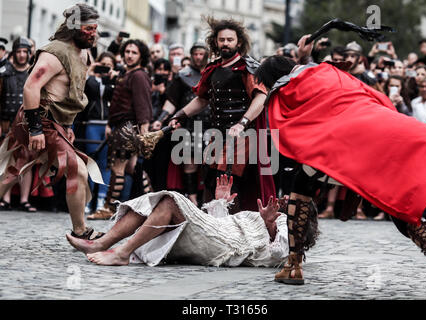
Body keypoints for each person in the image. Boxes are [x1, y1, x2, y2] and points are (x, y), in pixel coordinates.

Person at [254, 35, 426, 291]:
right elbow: (361, 90)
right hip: (381, 133)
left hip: (337, 147)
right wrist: (305, 58)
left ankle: (293, 264)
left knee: (300, 190)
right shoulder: (328, 72)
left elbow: (287, 119)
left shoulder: (285, 90)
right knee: (398, 202)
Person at [0, 3, 105, 240]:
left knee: (10, 170)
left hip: (56, 124)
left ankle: (81, 230)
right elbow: (30, 87)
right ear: (75, 28)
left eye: (95, 29)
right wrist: (36, 129)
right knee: (77, 171)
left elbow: (72, 93)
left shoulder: (83, 53)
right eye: (89, 29)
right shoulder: (55, 53)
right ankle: (81, 231)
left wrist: (67, 128)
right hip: (40, 120)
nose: (93, 34)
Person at [168, 16, 275, 213]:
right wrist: (179, 115)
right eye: (222, 40)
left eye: (230, 39)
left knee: (230, 182)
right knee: (210, 179)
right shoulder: (213, 69)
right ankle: (216, 226)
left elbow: (261, 97)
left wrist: (242, 123)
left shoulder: (247, 67)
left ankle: (234, 231)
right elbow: (202, 99)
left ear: (239, 42)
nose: (225, 43)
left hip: (242, 136)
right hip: (217, 134)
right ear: (215, 42)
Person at [66, 174, 288, 268]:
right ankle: (101, 243)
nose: (286, 199)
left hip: (225, 247)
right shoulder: (277, 216)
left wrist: (270, 229)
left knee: (171, 201)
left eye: (291, 200)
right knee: (159, 200)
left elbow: (276, 256)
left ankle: (122, 253)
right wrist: (220, 203)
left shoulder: (286, 227)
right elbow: (221, 226)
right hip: (219, 236)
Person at [87, 39, 153, 220]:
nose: (129, 55)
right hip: (121, 126)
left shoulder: (139, 75)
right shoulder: (127, 73)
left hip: (128, 127)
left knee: (118, 168)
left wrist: (144, 130)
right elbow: (116, 103)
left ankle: (109, 208)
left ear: (141, 56)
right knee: (132, 168)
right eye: (128, 51)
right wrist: (109, 124)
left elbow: (143, 105)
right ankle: (155, 203)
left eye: (134, 52)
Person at [152, 42, 210, 206]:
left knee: (208, 164)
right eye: (196, 54)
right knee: (189, 163)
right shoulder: (182, 75)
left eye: (201, 54)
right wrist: (160, 119)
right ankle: (192, 201)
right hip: (188, 125)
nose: (198, 57)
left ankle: (206, 199)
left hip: (210, 125)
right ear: (191, 55)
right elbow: (171, 101)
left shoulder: (213, 74)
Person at [0, 37, 37, 212]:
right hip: (7, 122)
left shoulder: (34, 72)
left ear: (29, 53)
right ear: (14, 52)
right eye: (19, 51)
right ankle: (5, 199)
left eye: (25, 51)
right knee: (7, 161)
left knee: (27, 162)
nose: (22, 55)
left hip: (27, 124)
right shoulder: (4, 72)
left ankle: (24, 199)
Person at [80, 52, 118, 214]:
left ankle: (102, 199)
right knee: (91, 161)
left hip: (109, 125)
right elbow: (79, 88)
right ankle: (88, 200)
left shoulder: (116, 80)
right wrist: (90, 70)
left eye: (109, 65)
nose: (106, 67)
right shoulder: (91, 79)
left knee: (105, 162)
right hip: (92, 123)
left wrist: (115, 77)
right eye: (103, 64)